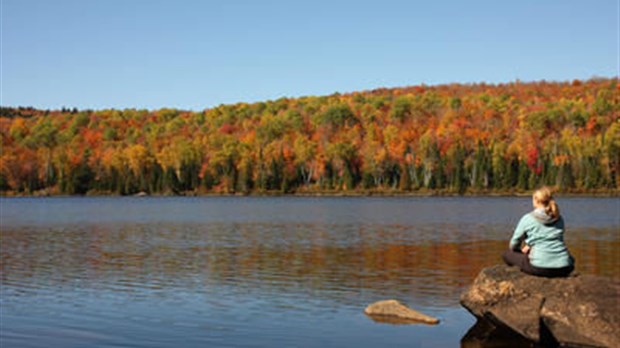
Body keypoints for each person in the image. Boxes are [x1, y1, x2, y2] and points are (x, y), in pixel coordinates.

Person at [502, 187, 575, 277]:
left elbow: (514, 243)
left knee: (506, 254)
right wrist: (530, 245)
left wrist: (519, 252)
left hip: (540, 268)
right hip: (565, 267)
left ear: (536, 200)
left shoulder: (528, 218)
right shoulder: (558, 218)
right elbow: (550, 238)